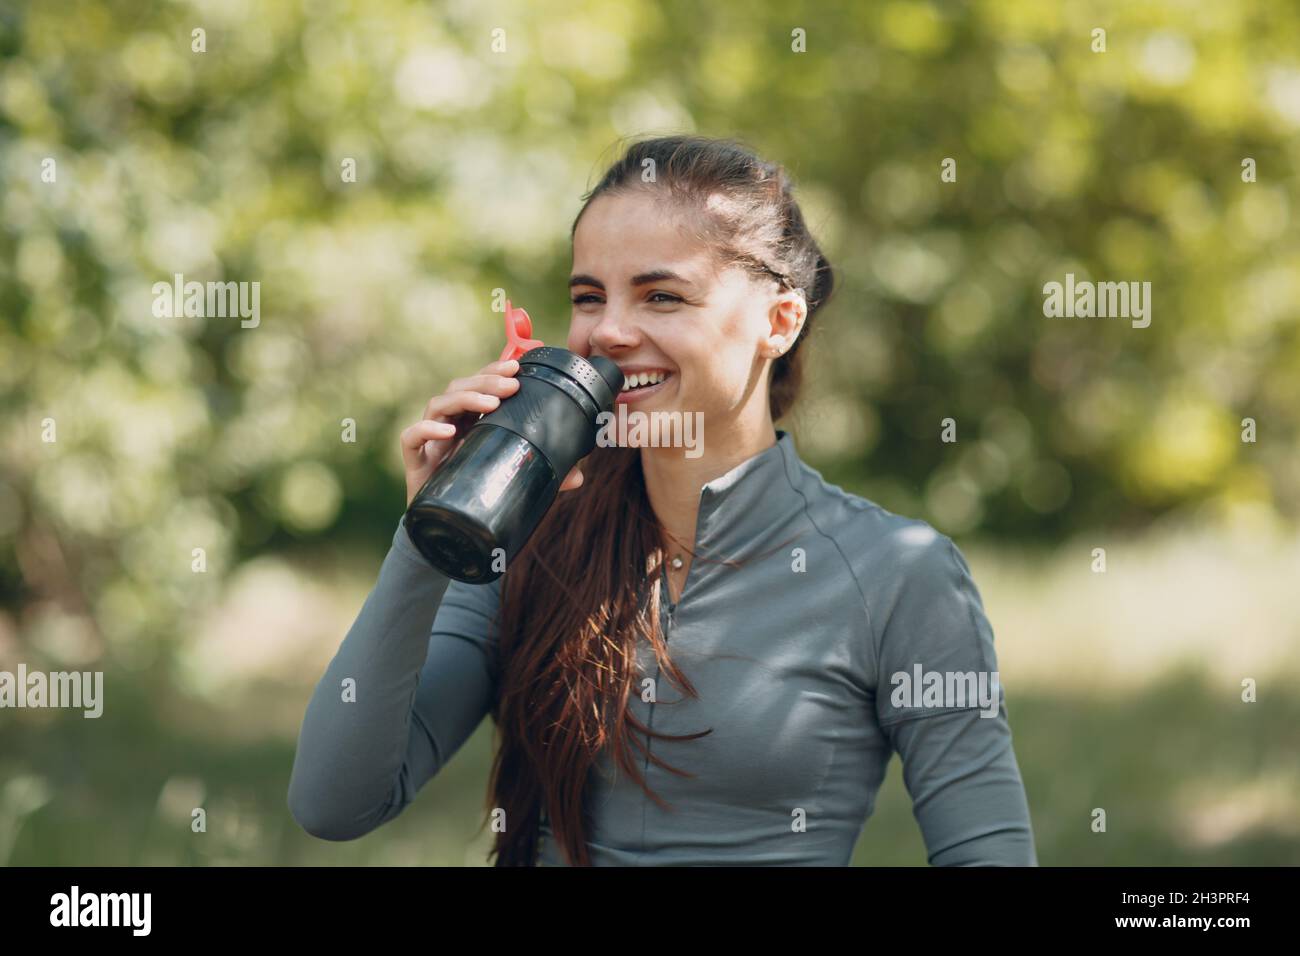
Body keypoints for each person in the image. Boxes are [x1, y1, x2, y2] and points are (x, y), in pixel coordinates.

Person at [288, 134, 1037, 867]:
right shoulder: (525, 539)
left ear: (779, 322)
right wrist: (433, 534)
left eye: (662, 295)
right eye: (589, 296)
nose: (608, 331)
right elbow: (335, 804)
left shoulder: (899, 573)